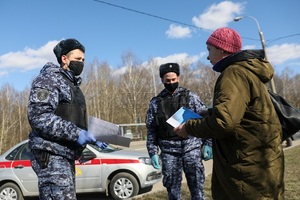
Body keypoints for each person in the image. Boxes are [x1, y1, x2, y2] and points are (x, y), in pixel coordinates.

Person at [174, 27, 285, 199]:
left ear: (222, 49)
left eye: (209, 50)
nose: (207, 56)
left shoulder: (233, 73)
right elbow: (241, 112)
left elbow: (224, 122)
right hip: (258, 166)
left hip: (246, 173)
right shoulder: (246, 72)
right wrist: (209, 113)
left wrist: (188, 127)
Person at [28, 38, 106, 200]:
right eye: (78, 59)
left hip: (65, 155)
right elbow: (39, 117)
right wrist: (77, 134)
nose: (81, 63)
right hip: (51, 155)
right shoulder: (48, 80)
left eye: (83, 60)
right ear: (64, 59)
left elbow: (69, 118)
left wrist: (91, 136)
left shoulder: (72, 85)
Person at [146, 62, 212, 200]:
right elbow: (151, 129)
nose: (171, 83)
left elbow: (204, 119)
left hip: (191, 148)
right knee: (173, 193)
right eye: (167, 80)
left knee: (198, 191)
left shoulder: (191, 97)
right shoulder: (155, 103)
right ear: (162, 80)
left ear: (178, 78)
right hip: (169, 152)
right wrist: (152, 152)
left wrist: (208, 143)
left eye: (173, 80)